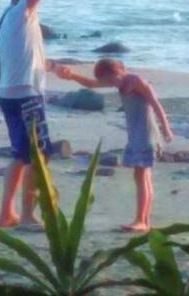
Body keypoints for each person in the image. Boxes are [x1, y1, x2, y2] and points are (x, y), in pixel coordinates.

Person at [0, 0, 71, 228]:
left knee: (21, 155)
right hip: (25, 95)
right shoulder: (19, 12)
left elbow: (24, 54)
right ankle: (27, 214)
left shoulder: (13, 17)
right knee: (39, 156)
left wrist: (51, 67)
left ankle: (7, 213)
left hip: (12, 91)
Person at [54, 59, 174, 232]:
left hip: (146, 134)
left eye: (112, 79)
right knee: (141, 176)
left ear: (120, 71)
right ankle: (143, 221)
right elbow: (91, 83)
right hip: (135, 134)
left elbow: (156, 104)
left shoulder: (136, 81)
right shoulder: (119, 84)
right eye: (108, 81)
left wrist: (167, 129)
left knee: (142, 175)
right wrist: (72, 75)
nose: (112, 83)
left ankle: (141, 220)